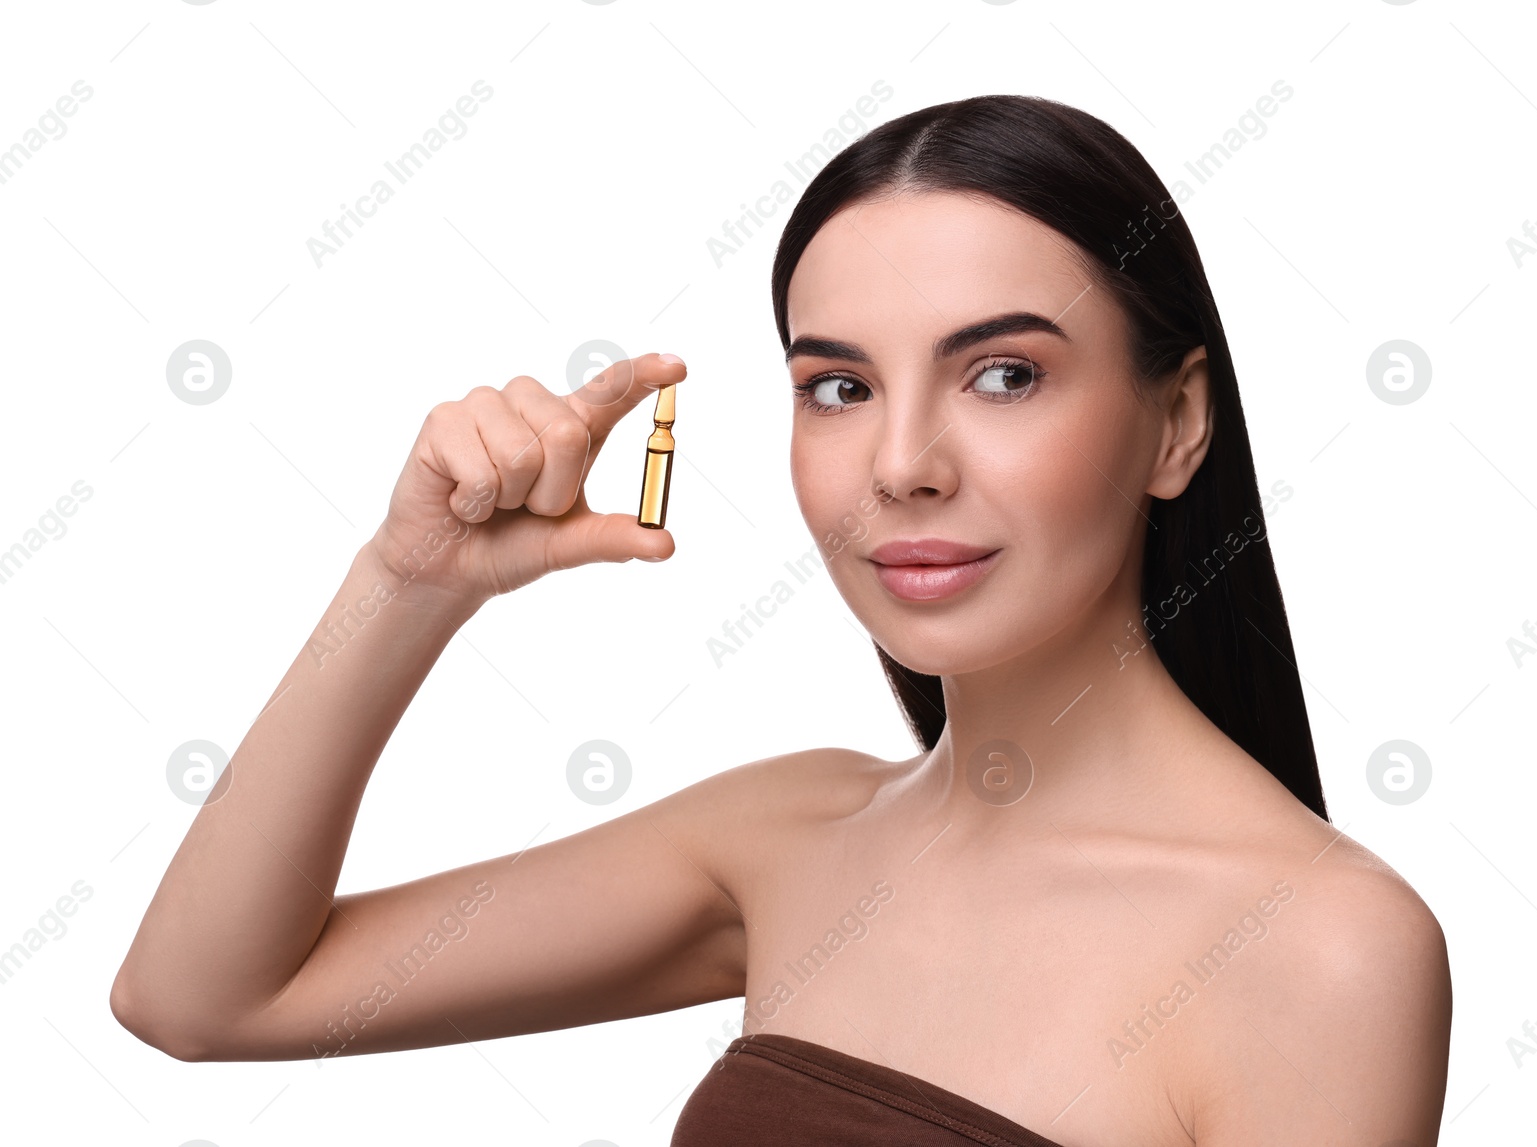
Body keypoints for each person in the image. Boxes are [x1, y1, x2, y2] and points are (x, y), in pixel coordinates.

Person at [110, 94, 1451, 1145]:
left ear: (1177, 422)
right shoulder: (787, 837)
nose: (905, 464)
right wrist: (407, 587)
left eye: (1002, 373)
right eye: (838, 388)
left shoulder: (1320, 950)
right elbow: (204, 996)